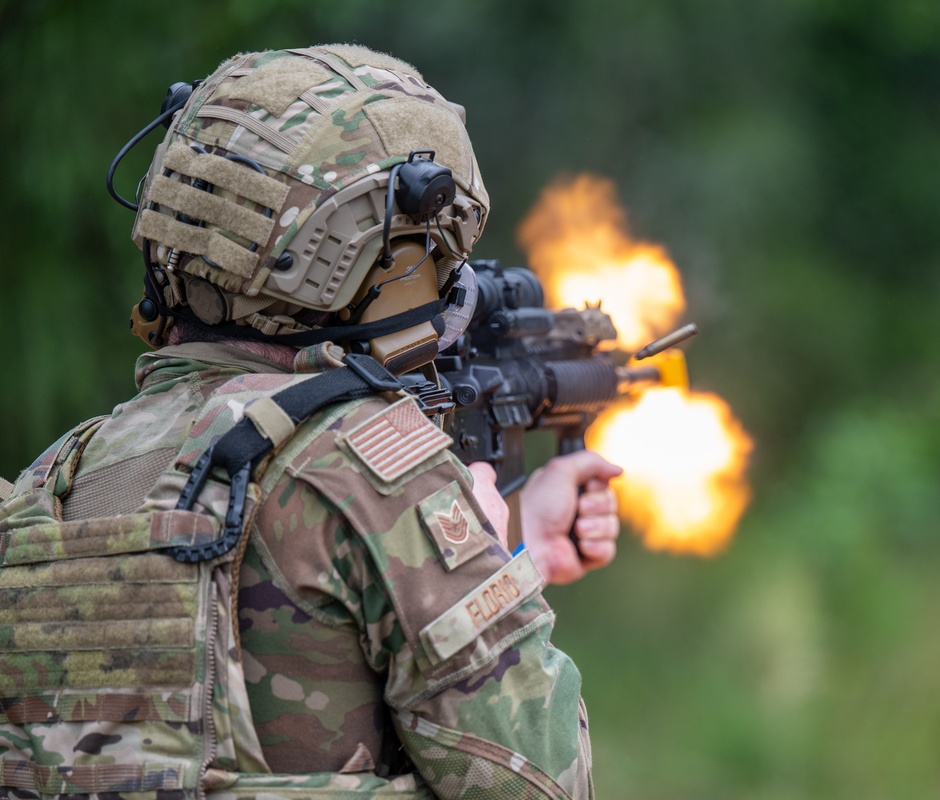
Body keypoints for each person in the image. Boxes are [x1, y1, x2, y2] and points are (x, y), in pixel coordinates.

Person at [0, 45, 622, 800]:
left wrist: (515, 544)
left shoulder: (51, 484)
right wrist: (497, 566)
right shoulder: (369, 471)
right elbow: (549, 783)